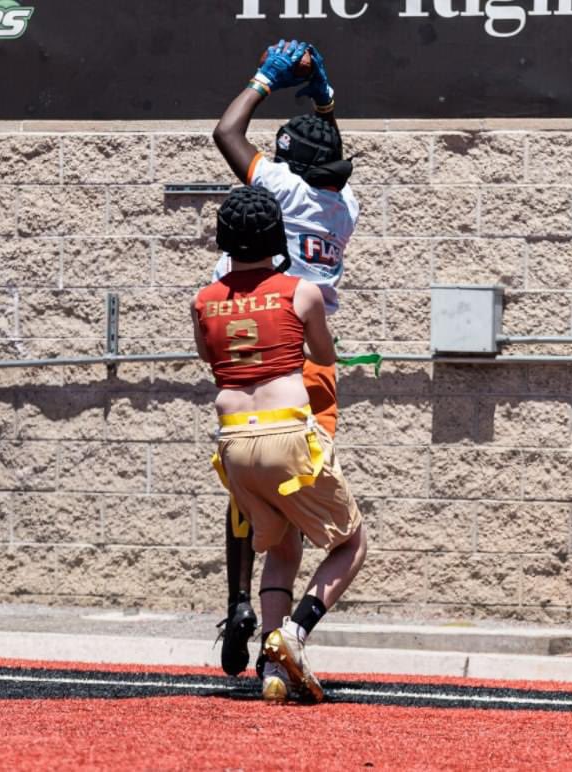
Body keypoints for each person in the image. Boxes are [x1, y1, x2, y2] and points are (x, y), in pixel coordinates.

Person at [211, 39, 360, 677]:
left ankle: (241, 601)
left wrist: (266, 78)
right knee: (296, 501)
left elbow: (227, 131)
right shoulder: (342, 207)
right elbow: (321, 152)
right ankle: (285, 641)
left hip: (247, 348)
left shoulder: (277, 187)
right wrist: (322, 94)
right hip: (306, 363)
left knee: (251, 492)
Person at [192, 186, 367, 702]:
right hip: (289, 433)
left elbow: (212, 359)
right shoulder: (301, 291)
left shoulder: (202, 301)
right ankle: (294, 632)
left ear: (224, 240)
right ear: (276, 236)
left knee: (283, 547)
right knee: (351, 542)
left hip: (234, 446)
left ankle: (272, 666)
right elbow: (323, 353)